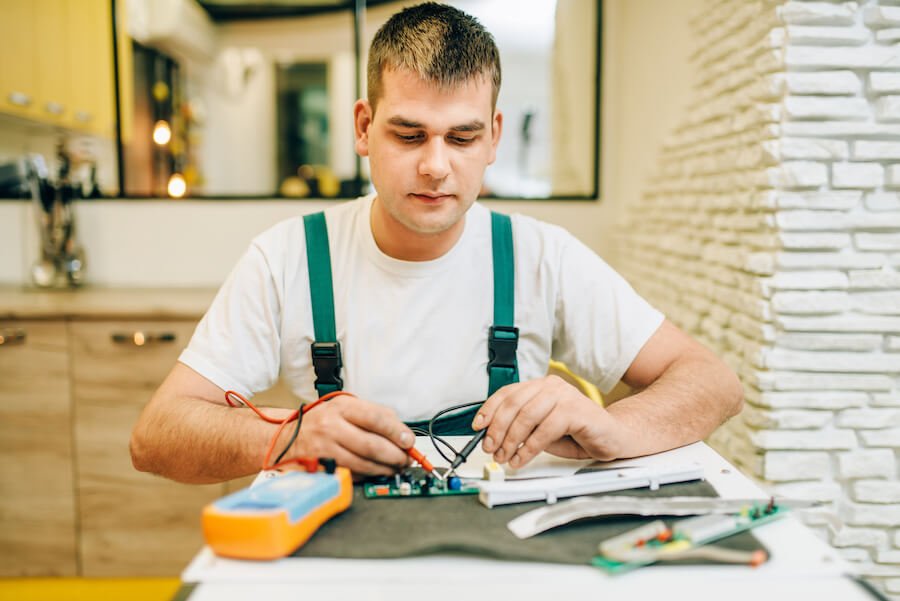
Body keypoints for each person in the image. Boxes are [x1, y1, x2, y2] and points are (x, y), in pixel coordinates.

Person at [130, 2, 743, 485]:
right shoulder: (287, 258)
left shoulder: (541, 256)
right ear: (365, 128)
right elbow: (156, 435)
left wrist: (612, 426)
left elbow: (713, 382)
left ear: (494, 137)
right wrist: (284, 437)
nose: (436, 166)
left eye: (462, 138)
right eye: (410, 134)